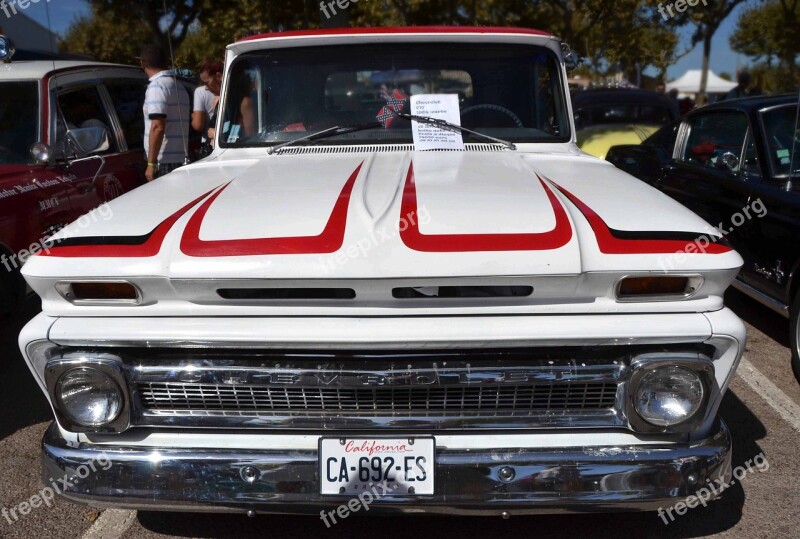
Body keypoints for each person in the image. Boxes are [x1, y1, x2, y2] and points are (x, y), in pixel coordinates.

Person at [139, 44, 191, 181]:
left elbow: (157, 126)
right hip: (180, 156)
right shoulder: (179, 86)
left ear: (142, 63)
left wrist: (151, 163)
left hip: (163, 160)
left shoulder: (157, 86)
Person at [192, 59, 223, 146]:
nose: (205, 88)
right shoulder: (216, 99)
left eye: (206, 82)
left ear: (218, 76)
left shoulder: (235, 98)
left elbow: (198, 125)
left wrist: (217, 134)